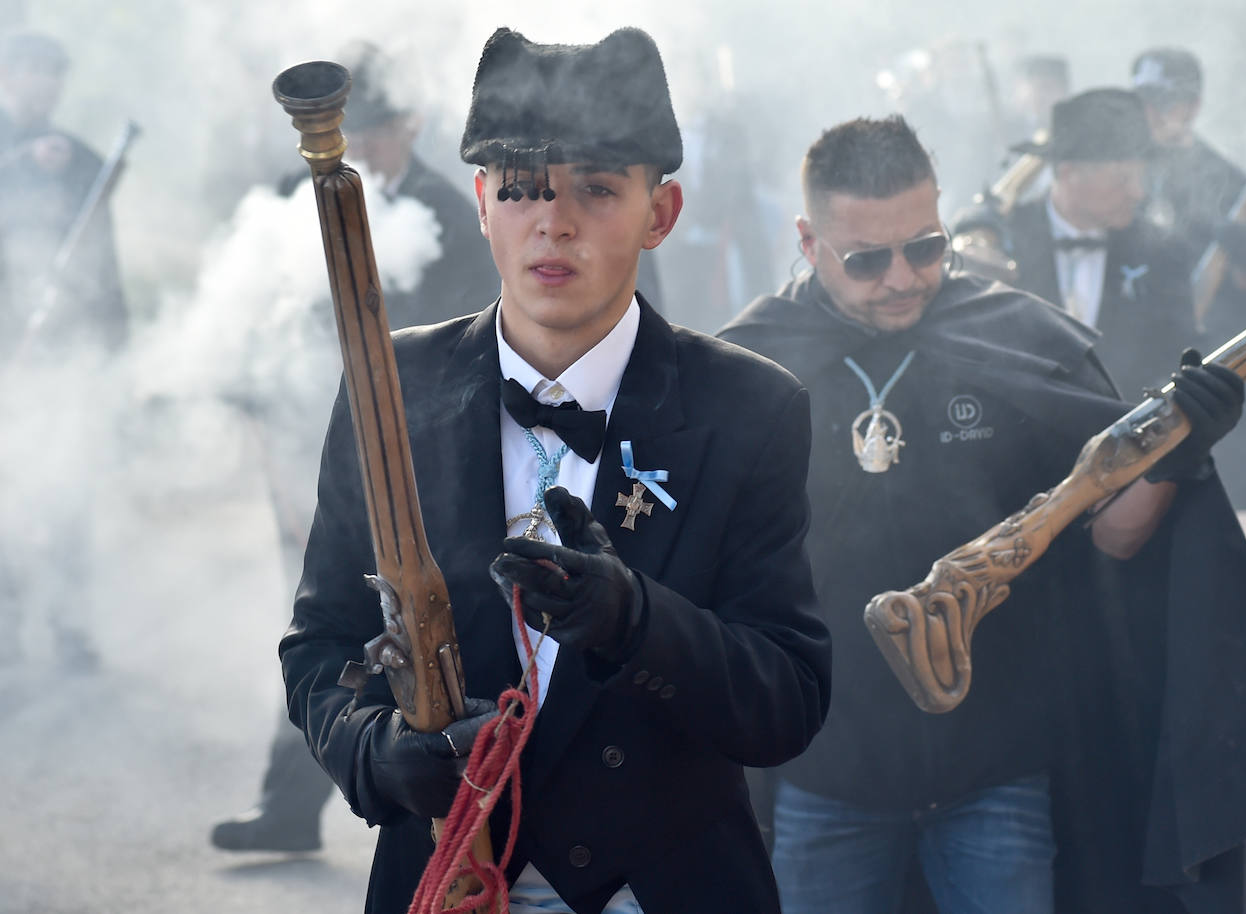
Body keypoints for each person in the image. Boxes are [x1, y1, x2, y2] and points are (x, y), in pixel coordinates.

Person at [720, 114, 1246, 913]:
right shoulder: (750, 366)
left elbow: (1115, 540)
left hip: (997, 771)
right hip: (827, 778)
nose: (905, 276)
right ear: (808, 243)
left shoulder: (1017, 339)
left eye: (926, 245)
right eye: (867, 259)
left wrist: (1181, 454)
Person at [281, 27, 829, 914]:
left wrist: (636, 620)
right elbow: (320, 648)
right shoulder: (392, 386)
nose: (555, 222)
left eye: (598, 190)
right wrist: (378, 754)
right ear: (480, 202)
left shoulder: (750, 408)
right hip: (448, 881)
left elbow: (787, 703)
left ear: (662, 212)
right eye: (522, 189)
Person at [210, 40, 502, 854]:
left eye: (375, 129)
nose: (362, 146)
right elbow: (250, 337)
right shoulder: (287, 199)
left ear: (408, 124)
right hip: (314, 460)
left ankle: (443, 813)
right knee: (322, 632)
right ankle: (291, 804)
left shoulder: (452, 218)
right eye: (356, 130)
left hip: (422, 474)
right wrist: (270, 450)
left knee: (427, 642)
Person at [0, 29, 130, 668]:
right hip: (9, 358)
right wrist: (19, 166)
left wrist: (114, 352)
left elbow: (101, 260)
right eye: (32, 71)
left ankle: (72, 631)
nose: (43, 84)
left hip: (71, 357)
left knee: (71, 496)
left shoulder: (80, 158)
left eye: (53, 73)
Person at [1132, 47, 1246, 509]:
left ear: (1193, 105)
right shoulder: (1117, 174)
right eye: (1148, 100)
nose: (1158, 112)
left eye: (1169, 100)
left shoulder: (1226, 179)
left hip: (1200, 341)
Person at [956, 87, 1198, 400]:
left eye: (1141, 178)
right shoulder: (1001, 241)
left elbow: (1179, 359)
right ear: (1069, 173)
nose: (1138, 193)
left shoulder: (1164, 253)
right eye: (1123, 179)